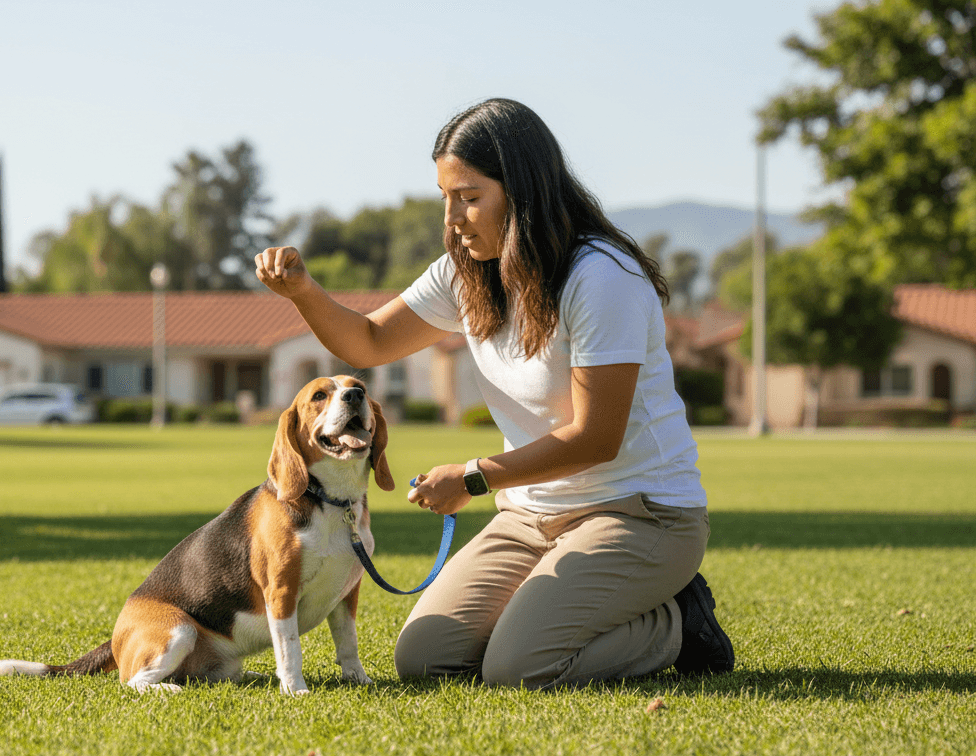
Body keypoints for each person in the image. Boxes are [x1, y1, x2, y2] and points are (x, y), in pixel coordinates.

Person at [254, 98, 734, 689]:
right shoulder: (465, 272)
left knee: (520, 667)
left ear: (524, 190)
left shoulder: (601, 278)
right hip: (531, 518)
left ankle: (679, 622)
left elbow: (596, 438)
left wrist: (474, 477)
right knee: (425, 659)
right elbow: (370, 341)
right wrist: (302, 291)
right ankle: (557, 615)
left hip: (639, 513)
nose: (452, 217)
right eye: (445, 197)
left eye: (470, 196)